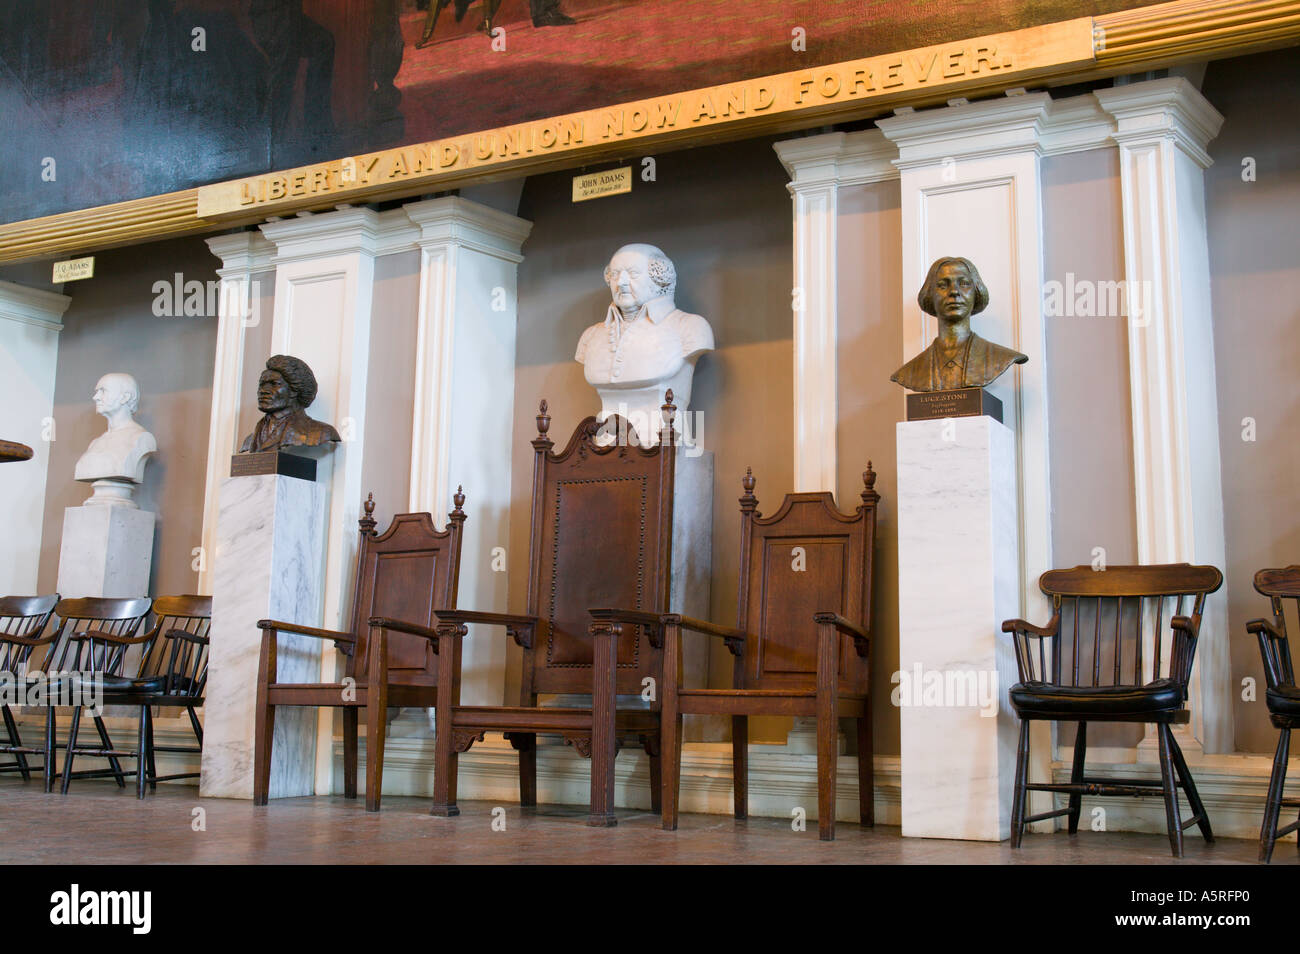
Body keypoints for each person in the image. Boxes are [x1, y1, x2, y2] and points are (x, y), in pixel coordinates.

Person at [575, 244, 713, 446]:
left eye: (632, 274)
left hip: (664, 442)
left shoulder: (690, 327)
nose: (620, 283)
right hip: (604, 447)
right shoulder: (591, 335)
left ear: (658, 278)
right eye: (614, 274)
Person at [889, 256, 1027, 392]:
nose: (954, 292)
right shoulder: (911, 371)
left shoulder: (999, 358)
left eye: (964, 284)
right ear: (930, 295)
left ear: (976, 292)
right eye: (943, 285)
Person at [239, 355, 341, 454]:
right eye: (262, 384)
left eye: (274, 384)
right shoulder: (250, 439)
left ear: (294, 390)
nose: (263, 391)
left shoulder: (320, 433)